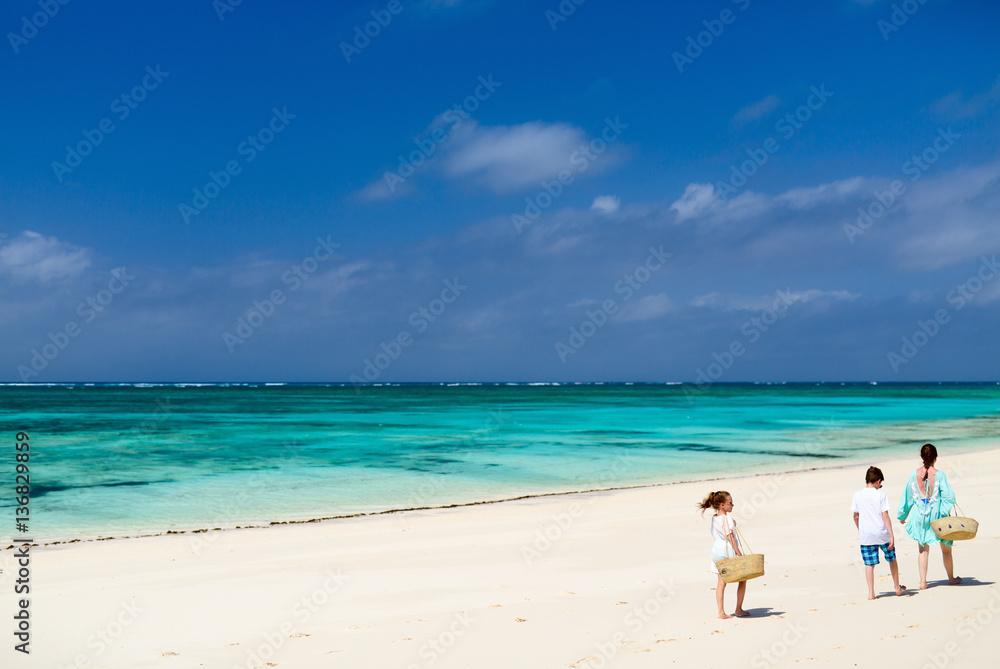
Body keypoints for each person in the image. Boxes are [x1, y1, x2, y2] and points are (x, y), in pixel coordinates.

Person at [897, 443, 962, 589]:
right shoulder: (939, 475)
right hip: (937, 517)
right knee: (946, 549)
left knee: (922, 550)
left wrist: (903, 514)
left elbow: (907, 495)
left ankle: (923, 582)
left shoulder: (914, 474)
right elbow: (949, 497)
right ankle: (951, 578)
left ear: (921, 457)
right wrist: (942, 511)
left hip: (919, 515)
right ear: (936, 458)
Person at [851, 466, 905, 600]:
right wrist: (892, 535)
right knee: (892, 559)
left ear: (866, 480)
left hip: (866, 535)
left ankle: (871, 593)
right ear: (878, 481)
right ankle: (897, 587)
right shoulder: (881, 495)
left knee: (869, 564)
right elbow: (885, 515)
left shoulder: (857, 495)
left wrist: (860, 530)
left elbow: (856, 516)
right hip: (882, 533)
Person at [698, 490, 750, 619]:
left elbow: (721, 530)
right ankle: (738, 609)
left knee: (721, 582)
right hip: (727, 551)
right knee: (743, 579)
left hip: (716, 551)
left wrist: (732, 523)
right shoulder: (727, 518)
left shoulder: (715, 518)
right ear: (722, 504)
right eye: (730, 502)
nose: (733, 505)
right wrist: (740, 554)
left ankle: (721, 612)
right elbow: (730, 537)